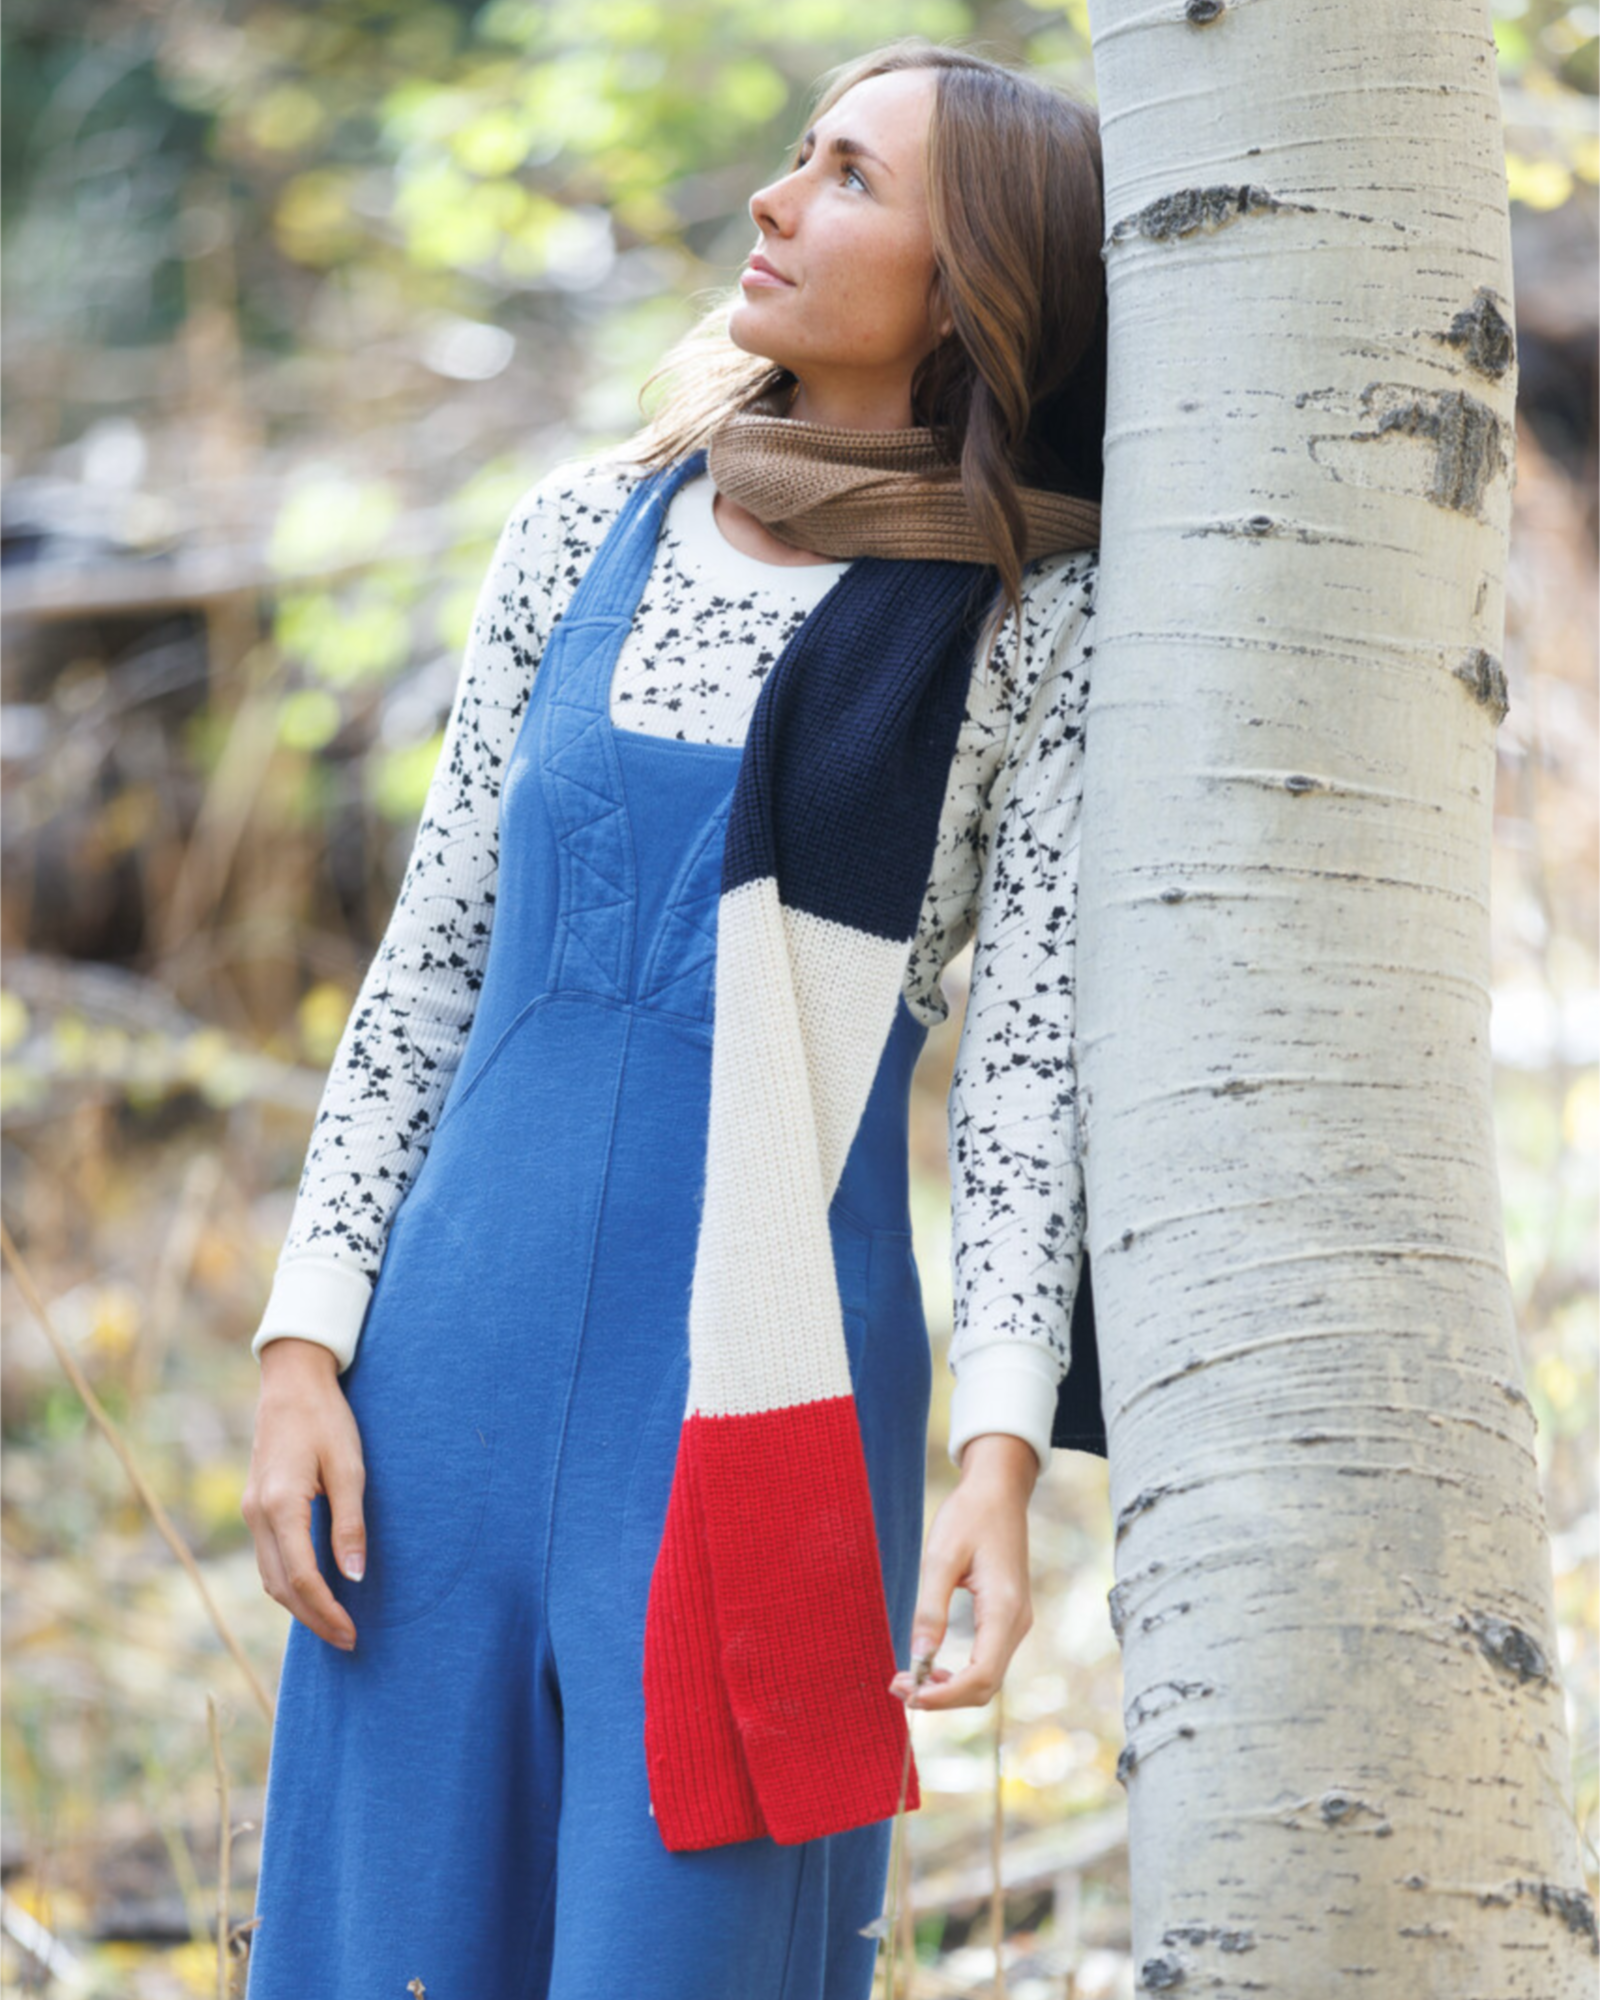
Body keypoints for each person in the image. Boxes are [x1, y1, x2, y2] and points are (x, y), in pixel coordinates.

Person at [240, 34, 1106, 2000]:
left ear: (976, 283)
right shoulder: (587, 526)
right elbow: (431, 959)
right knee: (392, 1938)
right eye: (795, 154)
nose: (773, 201)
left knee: (684, 1949)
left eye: (849, 179)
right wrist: (308, 1331)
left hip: (769, 1392)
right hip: (440, 1371)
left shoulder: (1029, 617)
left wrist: (994, 1455)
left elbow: (1023, 1076)